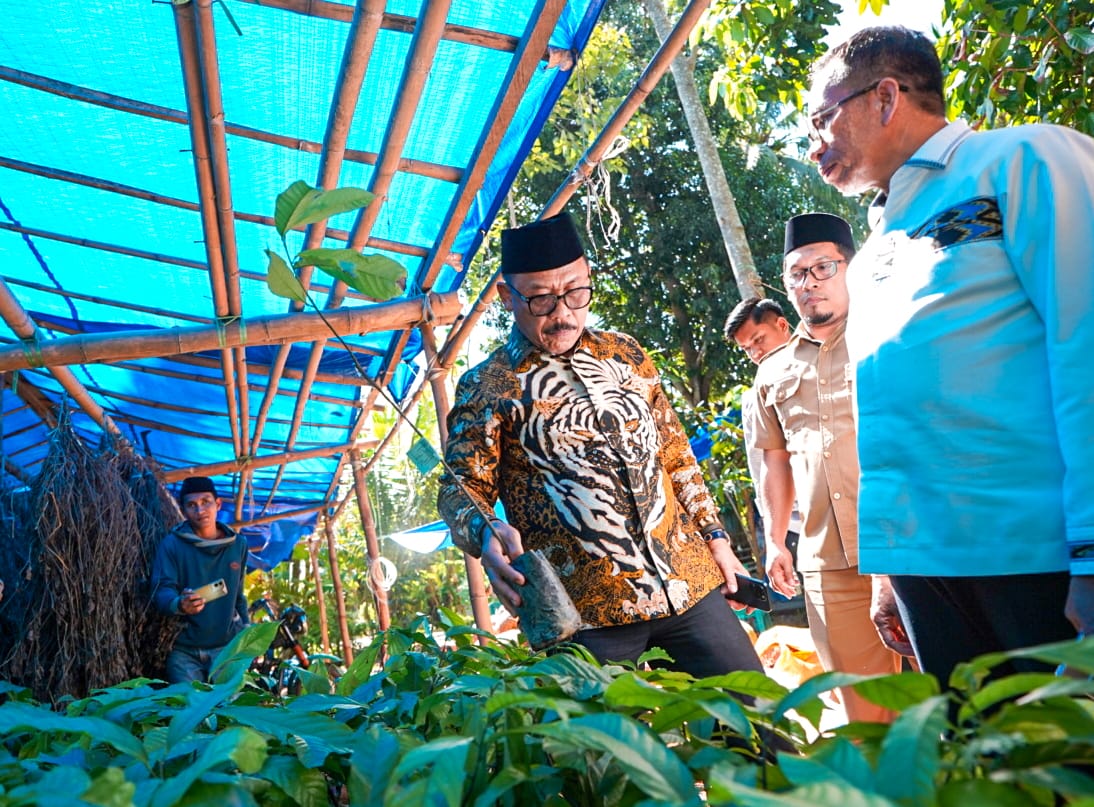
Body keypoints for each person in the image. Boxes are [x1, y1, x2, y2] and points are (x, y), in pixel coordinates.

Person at [805, 25, 1092, 683]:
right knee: (978, 767)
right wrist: (888, 567)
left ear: (885, 97)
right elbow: (887, 414)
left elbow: (1084, 343)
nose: (815, 143)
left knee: (1064, 767)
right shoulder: (875, 248)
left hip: (1034, 555)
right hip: (925, 571)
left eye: (824, 117)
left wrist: (1090, 553)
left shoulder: (1023, 159)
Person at [437, 212, 764, 679]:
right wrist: (485, 530)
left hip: (687, 583)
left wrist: (716, 538)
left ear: (588, 277)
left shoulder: (627, 354)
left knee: (760, 729)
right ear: (507, 298)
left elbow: (676, 455)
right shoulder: (487, 385)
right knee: (608, 751)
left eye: (574, 292)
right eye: (542, 299)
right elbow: (458, 488)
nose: (563, 313)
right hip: (584, 614)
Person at [747, 213, 901, 723]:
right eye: (796, 273)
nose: (809, 283)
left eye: (823, 268)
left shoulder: (893, 334)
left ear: (849, 268)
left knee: (948, 693)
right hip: (827, 561)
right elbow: (775, 461)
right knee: (867, 710)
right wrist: (774, 542)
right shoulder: (772, 371)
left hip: (909, 543)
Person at [723, 298, 801, 575]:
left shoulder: (824, 365)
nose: (755, 353)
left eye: (759, 340)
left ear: (782, 325)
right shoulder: (754, 396)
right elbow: (762, 468)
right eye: (747, 349)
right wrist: (775, 537)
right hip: (797, 527)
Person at [152, 476, 250, 683]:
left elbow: (238, 595)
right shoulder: (173, 544)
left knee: (228, 712)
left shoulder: (237, 545)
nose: (200, 511)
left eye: (206, 502)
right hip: (184, 651)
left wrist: (247, 635)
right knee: (191, 712)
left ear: (218, 504)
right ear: (183, 510)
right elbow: (162, 588)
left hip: (227, 649)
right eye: (192, 505)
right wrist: (179, 604)